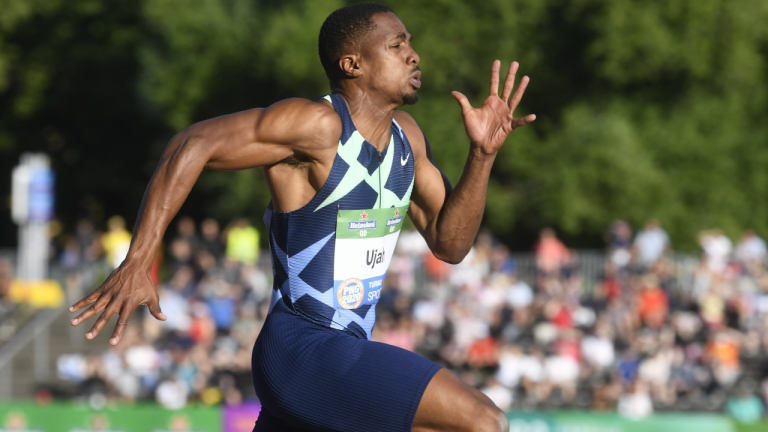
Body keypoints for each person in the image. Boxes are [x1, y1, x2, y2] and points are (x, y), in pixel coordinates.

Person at [68, 3, 535, 431]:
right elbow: (194, 144)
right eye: (397, 46)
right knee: (483, 423)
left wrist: (482, 156)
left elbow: (450, 245)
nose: (414, 55)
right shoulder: (318, 127)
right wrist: (137, 261)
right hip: (303, 347)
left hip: (340, 354)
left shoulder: (406, 139)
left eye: (410, 43)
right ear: (352, 64)